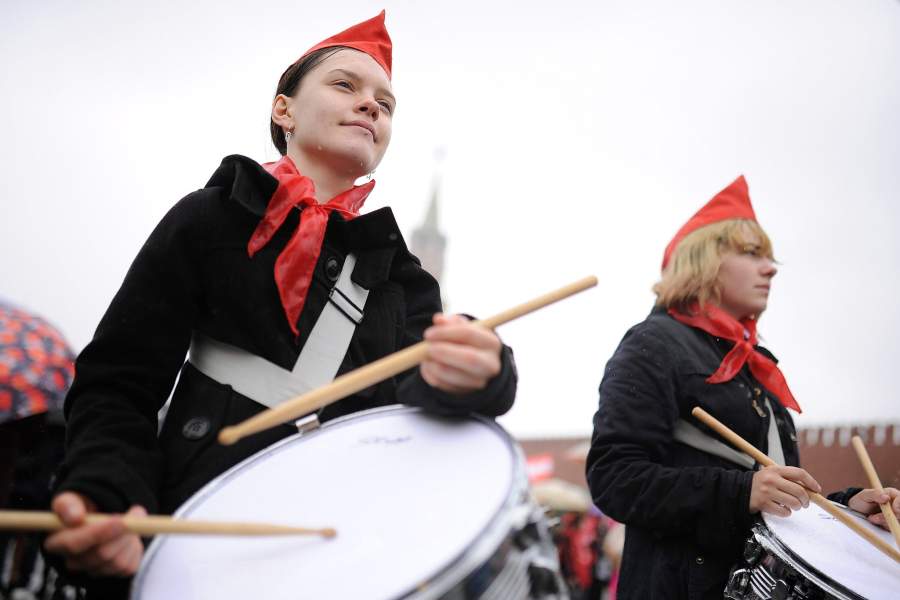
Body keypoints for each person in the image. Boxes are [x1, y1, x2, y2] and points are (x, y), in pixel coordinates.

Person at [43, 11, 516, 597]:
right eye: (345, 85)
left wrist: (480, 371)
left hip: (341, 555)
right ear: (283, 110)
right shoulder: (210, 218)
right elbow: (119, 384)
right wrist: (110, 494)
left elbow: (425, 400)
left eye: (386, 103)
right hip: (193, 536)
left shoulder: (401, 275)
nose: (371, 106)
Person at [585, 176, 900, 599]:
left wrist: (848, 510)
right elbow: (614, 477)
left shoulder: (754, 366)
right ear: (704, 261)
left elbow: (775, 509)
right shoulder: (652, 344)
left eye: (769, 258)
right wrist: (742, 492)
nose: (771, 268)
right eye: (752, 254)